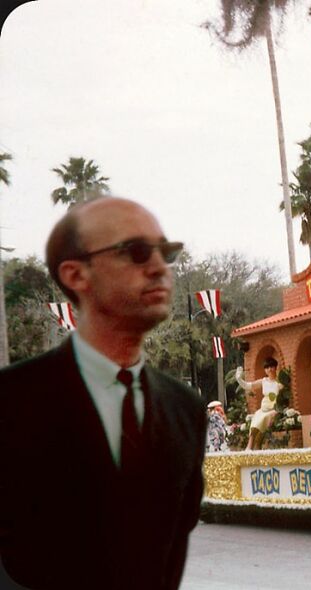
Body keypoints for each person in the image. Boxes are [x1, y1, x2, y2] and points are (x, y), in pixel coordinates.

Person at [0, 196, 206, 590]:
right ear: (76, 274)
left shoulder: (186, 410)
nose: (159, 267)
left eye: (166, 252)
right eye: (137, 251)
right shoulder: (11, 402)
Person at [235, 357, 281, 450]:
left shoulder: (279, 382)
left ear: (275, 367)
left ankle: (255, 445)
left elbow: (283, 398)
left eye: (271, 367)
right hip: (263, 409)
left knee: (263, 419)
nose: (269, 369)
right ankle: (250, 446)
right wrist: (239, 379)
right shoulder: (263, 381)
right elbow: (248, 386)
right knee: (256, 420)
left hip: (274, 409)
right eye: (267, 367)